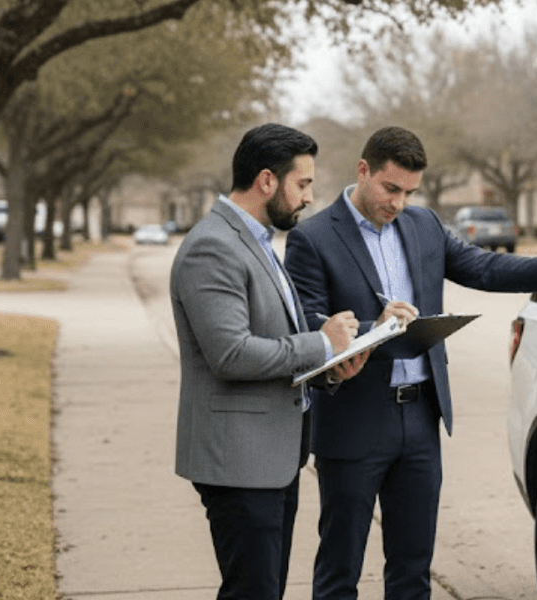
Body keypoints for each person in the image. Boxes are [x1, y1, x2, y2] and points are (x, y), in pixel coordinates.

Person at [283, 125, 537, 600]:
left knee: (414, 568)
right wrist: (372, 329)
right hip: (353, 421)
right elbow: (310, 325)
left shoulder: (425, 226)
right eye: (389, 188)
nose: (398, 202)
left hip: (420, 420)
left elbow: (482, 266)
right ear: (363, 170)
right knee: (340, 567)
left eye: (408, 192)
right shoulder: (313, 239)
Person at [171, 123, 369, 600]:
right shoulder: (212, 246)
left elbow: (274, 339)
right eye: (302, 184)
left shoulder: (257, 240)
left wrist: (331, 366)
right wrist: (320, 344)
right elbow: (231, 353)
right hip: (239, 461)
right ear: (266, 181)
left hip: (273, 457)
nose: (308, 197)